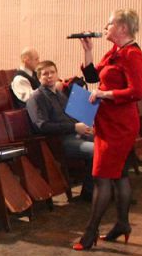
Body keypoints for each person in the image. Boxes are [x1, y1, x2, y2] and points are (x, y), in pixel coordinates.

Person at [72, 9, 142, 251]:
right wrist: (87, 50)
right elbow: (93, 77)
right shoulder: (115, 51)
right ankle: (122, 224)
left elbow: (136, 92)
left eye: (109, 24)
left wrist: (104, 94)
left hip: (120, 125)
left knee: (102, 177)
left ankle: (90, 233)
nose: (105, 27)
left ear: (123, 27)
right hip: (107, 121)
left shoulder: (132, 54)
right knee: (119, 175)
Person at [26, 60, 95, 201]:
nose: (50, 76)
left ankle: (106, 189)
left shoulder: (59, 94)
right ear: (39, 78)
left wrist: (85, 126)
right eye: (45, 74)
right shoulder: (36, 97)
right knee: (97, 150)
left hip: (75, 135)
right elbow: (42, 126)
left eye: (52, 72)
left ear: (57, 74)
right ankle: (89, 192)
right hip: (58, 142)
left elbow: (70, 117)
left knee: (109, 144)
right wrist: (74, 127)